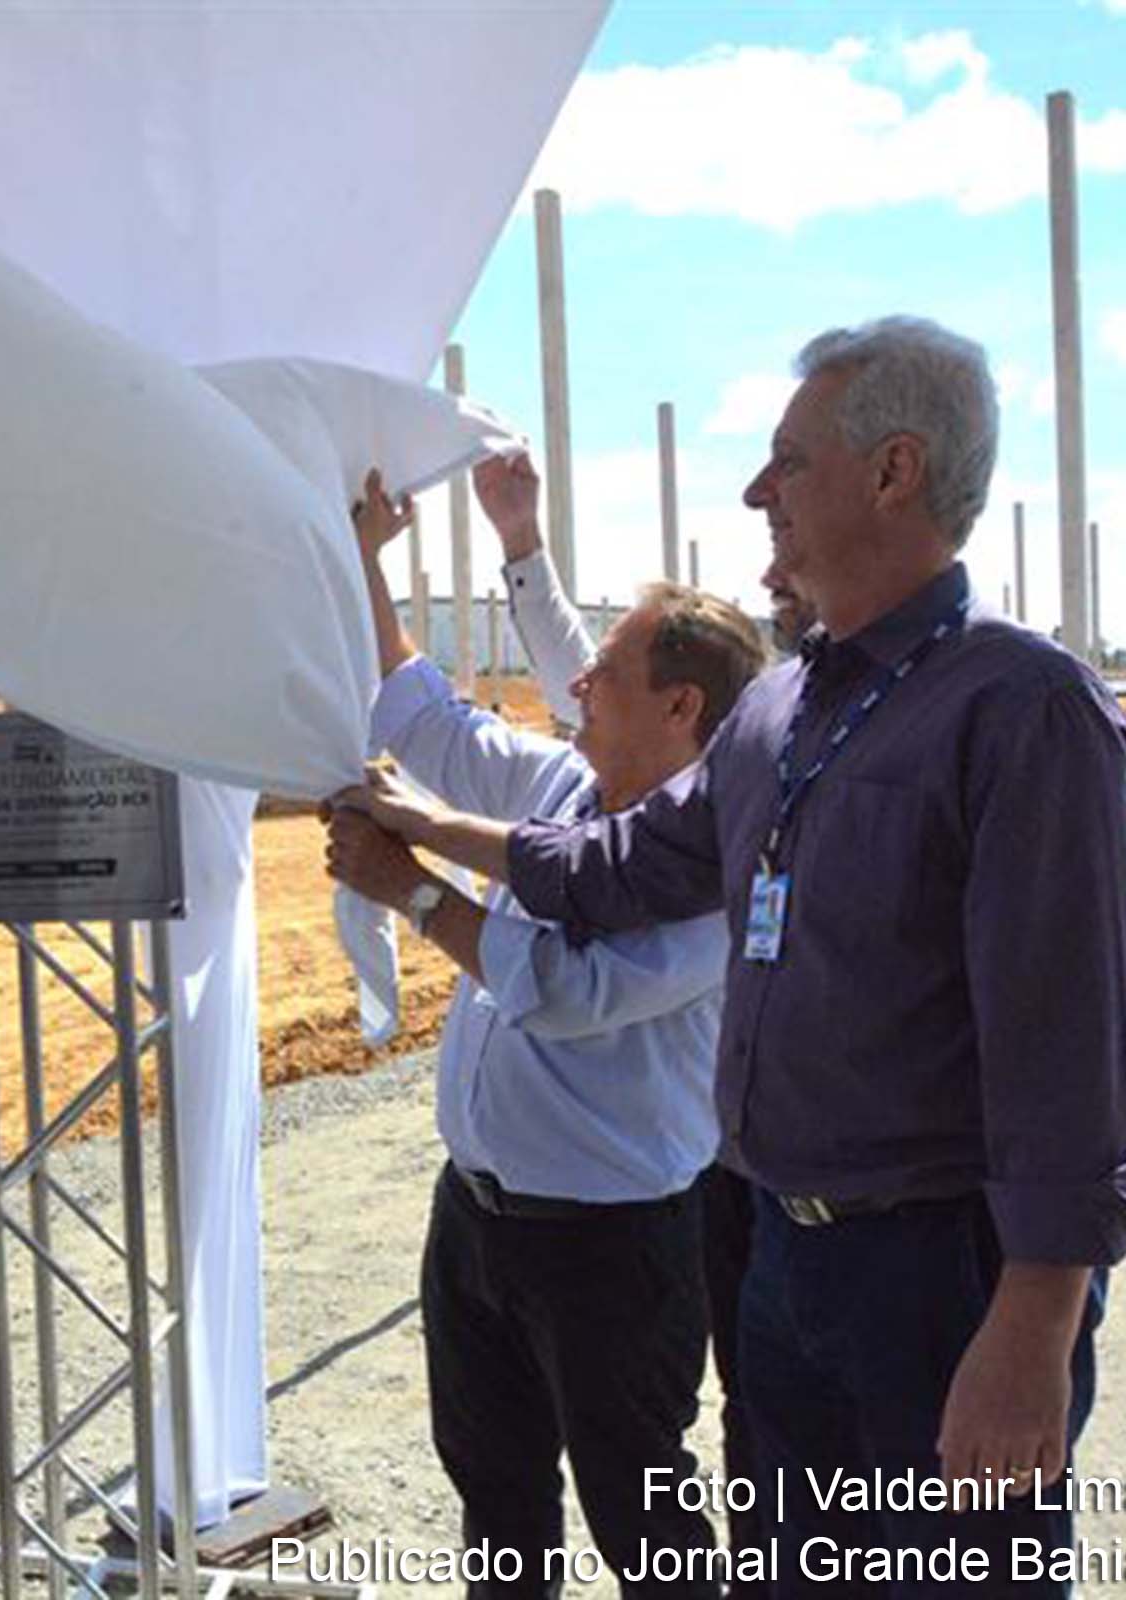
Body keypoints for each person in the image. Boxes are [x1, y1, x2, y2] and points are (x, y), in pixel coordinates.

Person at [345, 318, 1126, 1593]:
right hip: (783, 1257)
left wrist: (1035, 1320)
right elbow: (621, 865)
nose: (756, 491)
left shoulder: (1021, 710)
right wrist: (437, 830)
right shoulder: (785, 708)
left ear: (893, 472)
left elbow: (1071, 1054)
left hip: (938, 1279)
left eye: (789, 459)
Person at [328, 456, 765, 1596]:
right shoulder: (567, 790)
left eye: (605, 675)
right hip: (477, 1219)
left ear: (681, 708)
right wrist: (365, 559)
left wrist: (414, 889)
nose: (577, 689)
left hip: (614, 1249)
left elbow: (569, 989)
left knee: (645, 1521)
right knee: (498, 1502)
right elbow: (426, 718)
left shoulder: (724, 868)